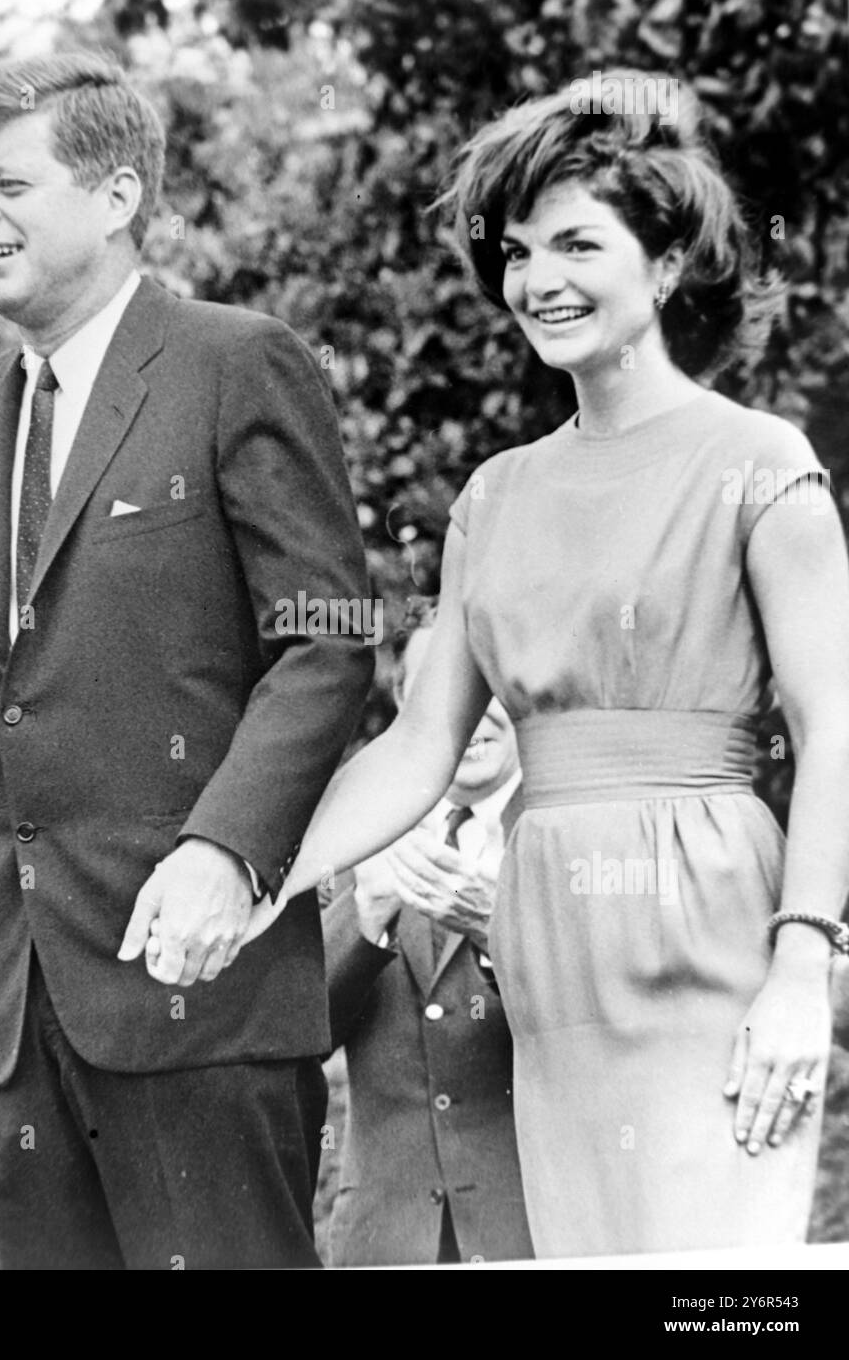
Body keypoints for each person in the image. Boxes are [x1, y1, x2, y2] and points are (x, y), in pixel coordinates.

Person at [239, 72, 849, 1257]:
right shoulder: (494, 496)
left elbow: (832, 725)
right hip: (546, 936)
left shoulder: (759, 462)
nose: (537, 278)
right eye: (518, 251)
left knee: (709, 1290)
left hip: (706, 922)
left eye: (578, 242)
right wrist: (252, 875)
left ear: (666, 265)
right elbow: (418, 745)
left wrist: (799, 965)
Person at [0, 52, 373, 1270]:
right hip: (18, 1031)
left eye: (7, 182)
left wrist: (225, 846)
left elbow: (326, 645)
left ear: (119, 193)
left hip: (205, 1006)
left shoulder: (238, 362)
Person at [323, 596, 532, 1266]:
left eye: (486, 685)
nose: (469, 712)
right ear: (407, 705)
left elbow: (604, 1021)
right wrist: (366, 920)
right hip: (386, 1241)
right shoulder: (350, 831)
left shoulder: (564, 836)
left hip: (531, 1230)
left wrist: (500, 926)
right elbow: (300, 1030)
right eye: (442, 690)